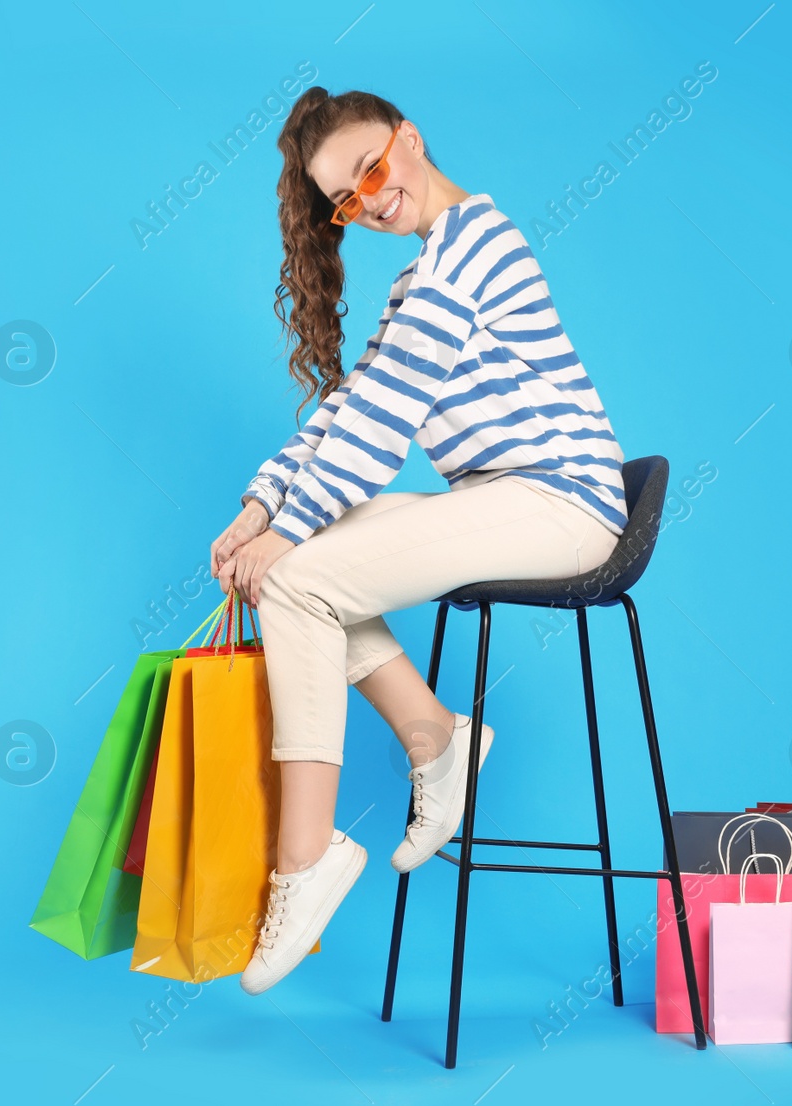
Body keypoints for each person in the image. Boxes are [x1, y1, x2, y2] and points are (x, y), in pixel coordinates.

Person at [208, 88, 627, 995]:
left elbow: (379, 433)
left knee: (296, 577)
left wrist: (285, 535)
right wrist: (260, 509)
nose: (370, 197)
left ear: (410, 138)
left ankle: (305, 860)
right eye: (347, 200)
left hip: (565, 502)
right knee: (291, 574)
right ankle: (436, 737)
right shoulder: (418, 279)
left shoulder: (469, 250)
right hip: (509, 494)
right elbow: (347, 414)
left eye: (370, 168)